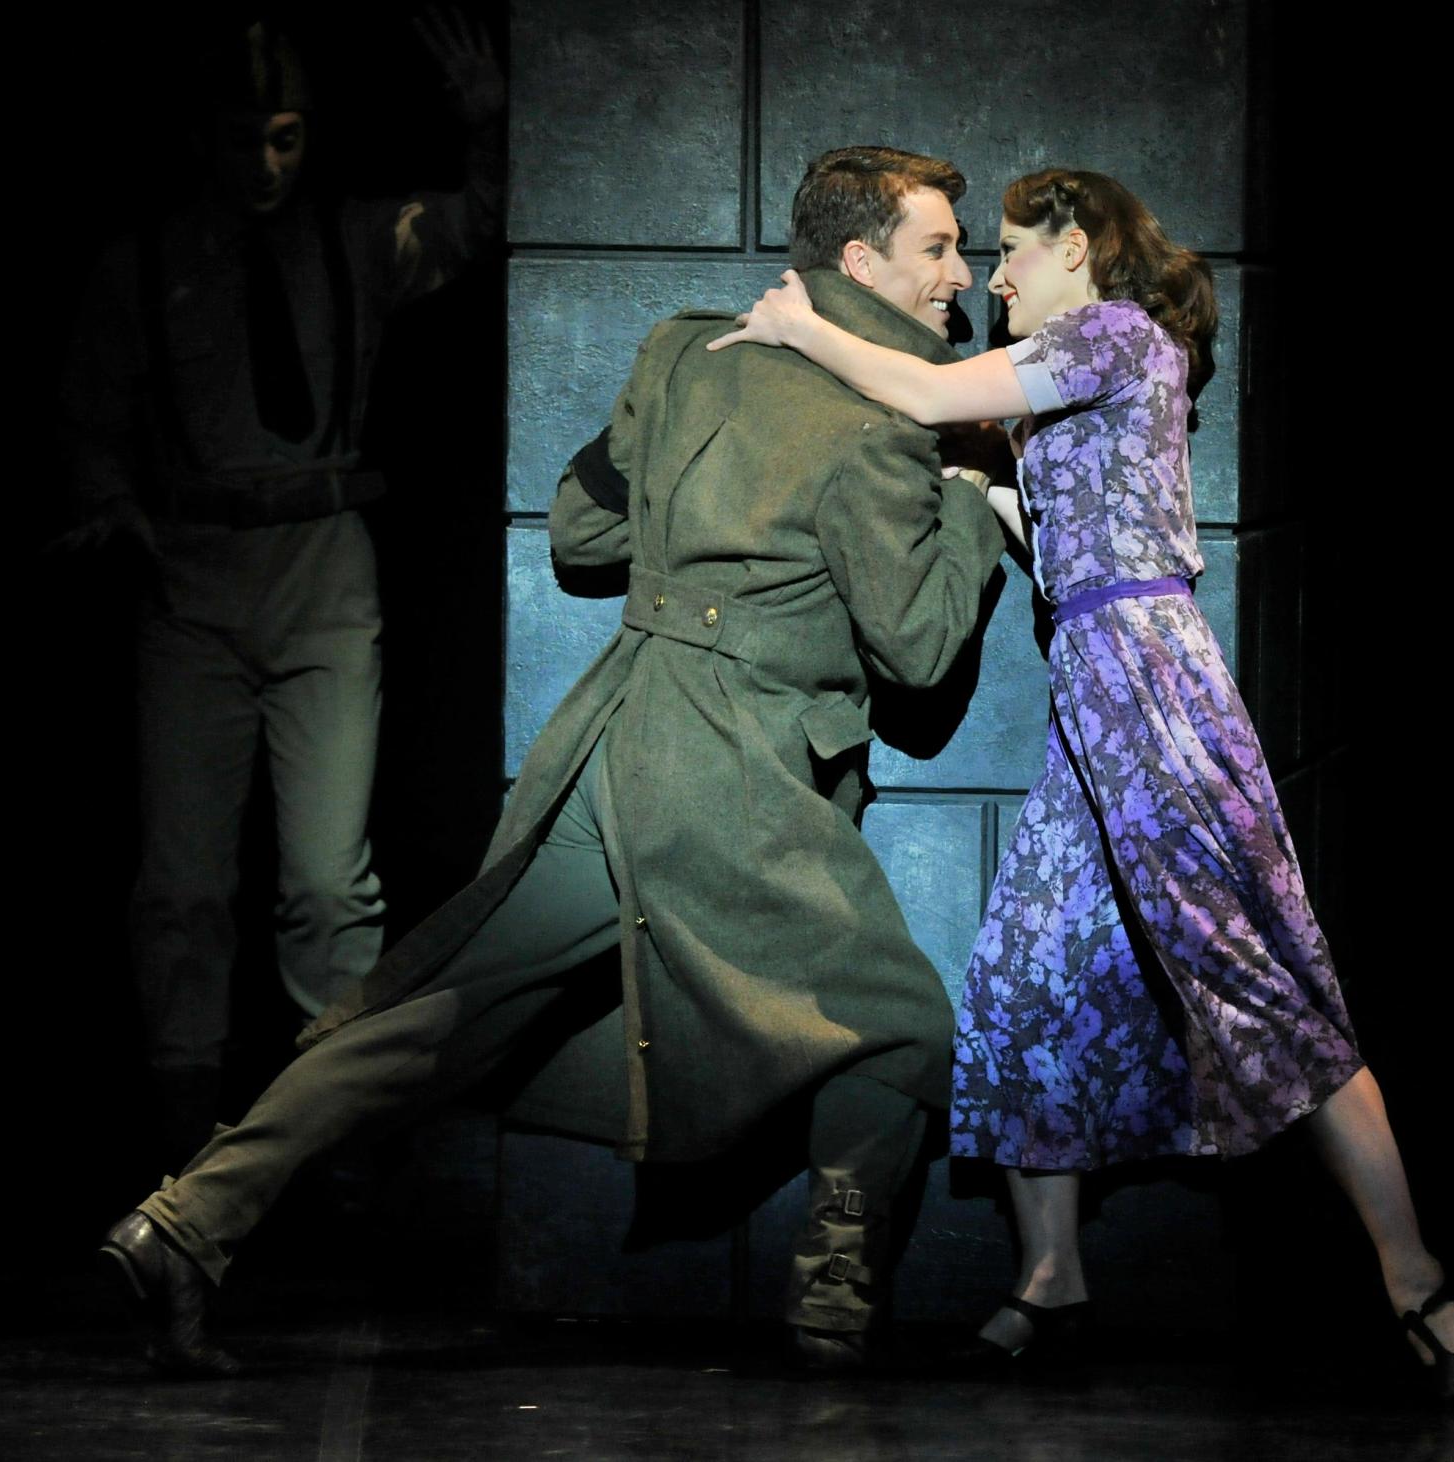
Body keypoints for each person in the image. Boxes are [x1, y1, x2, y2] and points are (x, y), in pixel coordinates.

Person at [96, 145, 1005, 1376]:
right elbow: (920, 645)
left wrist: (707, 504)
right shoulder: (886, 423)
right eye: (938, 248)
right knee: (899, 1028)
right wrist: (966, 488)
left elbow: (581, 529)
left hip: (612, 744)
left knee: (434, 1013)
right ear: (859, 259)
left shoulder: (686, 349)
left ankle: (183, 1219)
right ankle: (834, 1303)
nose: (962, 275)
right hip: (730, 775)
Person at [709, 168, 1454, 1397]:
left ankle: (1411, 1273)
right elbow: (1078, 525)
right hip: (1092, 687)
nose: (994, 277)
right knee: (1025, 974)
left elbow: (928, 390)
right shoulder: (1097, 365)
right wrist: (988, 493)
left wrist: (799, 326)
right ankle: (1050, 1276)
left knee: (1250, 976)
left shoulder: (1112, 334)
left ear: (1076, 246)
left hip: (1148, 687)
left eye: (1012, 249)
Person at [53, 13, 505, 1169]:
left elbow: (476, 222)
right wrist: (108, 497)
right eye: (242, 137)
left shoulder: (353, 241)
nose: (265, 162)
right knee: (182, 881)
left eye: (287, 137)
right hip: (193, 582)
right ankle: (184, 1149)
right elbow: (91, 406)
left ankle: (325, 1137)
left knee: (327, 881)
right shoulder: (145, 262)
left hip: (321, 571)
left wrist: (485, 127)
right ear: (200, 138)